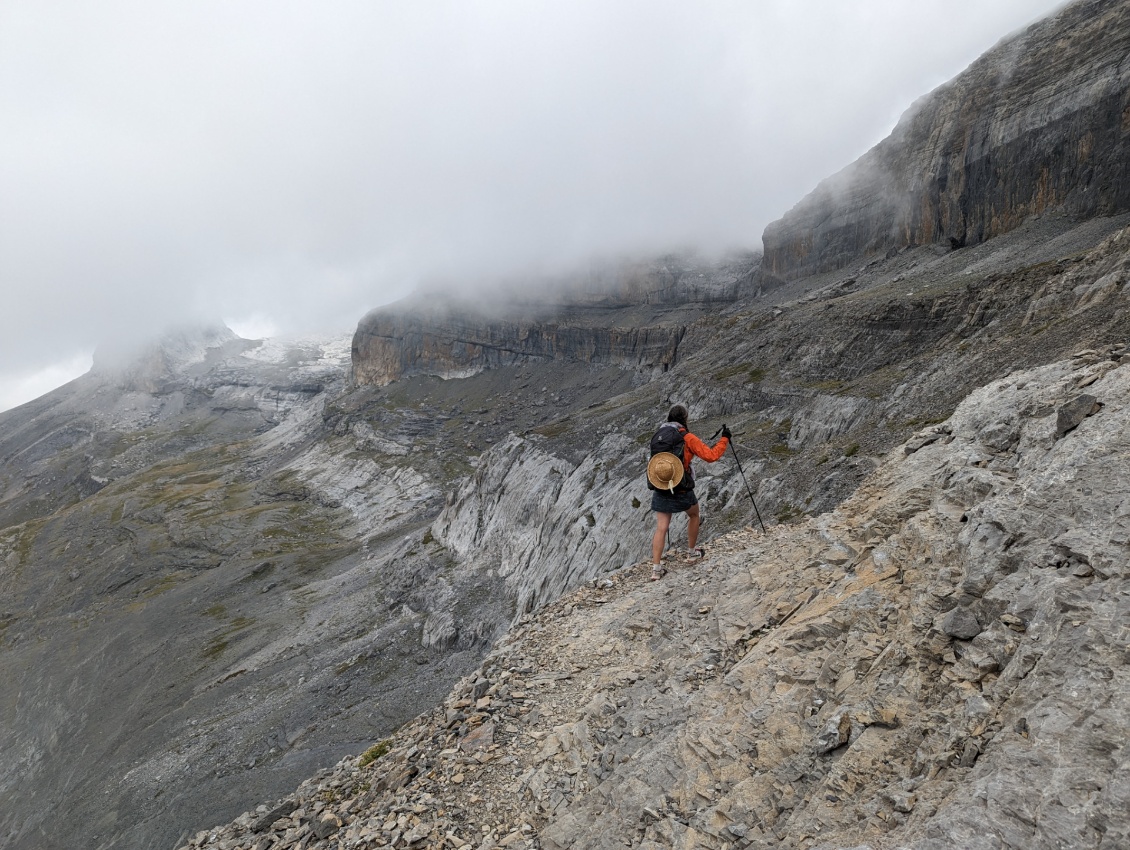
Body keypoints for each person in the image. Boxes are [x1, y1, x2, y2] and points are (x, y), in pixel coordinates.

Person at [645, 404, 730, 580]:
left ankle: (656, 569)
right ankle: (691, 553)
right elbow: (711, 456)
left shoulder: (659, 435)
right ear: (685, 418)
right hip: (681, 486)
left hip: (661, 485)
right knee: (694, 515)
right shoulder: (687, 437)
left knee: (661, 527)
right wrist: (724, 439)